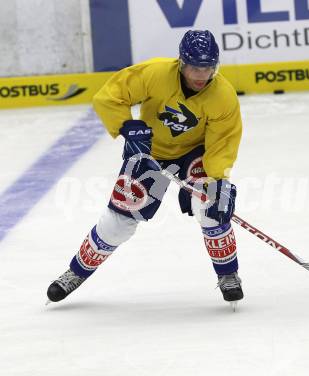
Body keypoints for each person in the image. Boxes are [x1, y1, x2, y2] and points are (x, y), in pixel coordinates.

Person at [46, 30, 244, 306]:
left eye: (208, 68)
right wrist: (126, 125)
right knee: (118, 223)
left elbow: (222, 144)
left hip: (193, 155)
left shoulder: (223, 95)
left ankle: (228, 275)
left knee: (212, 209)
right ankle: (75, 273)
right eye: (196, 67)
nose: (201, 75)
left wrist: (215, 180)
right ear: (182, 63)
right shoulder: (155, 74)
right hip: (148, 152)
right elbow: (109, 96)